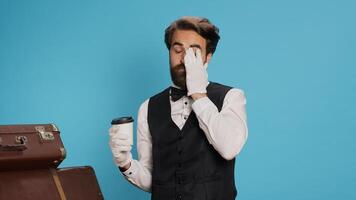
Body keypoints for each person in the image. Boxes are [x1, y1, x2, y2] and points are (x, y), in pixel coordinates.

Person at [109, 16, 248, 200]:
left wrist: (198, 93)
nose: (184, 59)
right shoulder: (148, 107)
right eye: (177, 50)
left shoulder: (231, 97)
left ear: (208, 57)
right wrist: (125, 162)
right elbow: (155, 180)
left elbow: (229, 148)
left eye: (194, 52)